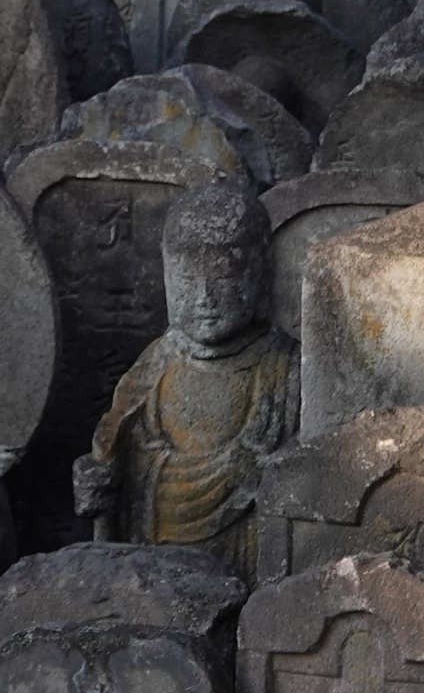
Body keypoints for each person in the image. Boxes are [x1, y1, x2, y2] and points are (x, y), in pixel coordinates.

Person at [74, 183, 298, 576]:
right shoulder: (155, 364)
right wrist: (101, 479)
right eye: (187, 279)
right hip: (156, 565)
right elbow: (113, 447)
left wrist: (263, 470)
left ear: (260, 275)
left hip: (249, 561)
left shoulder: (285, 369)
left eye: (223, 276)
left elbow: (308, 474)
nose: (204, 296)